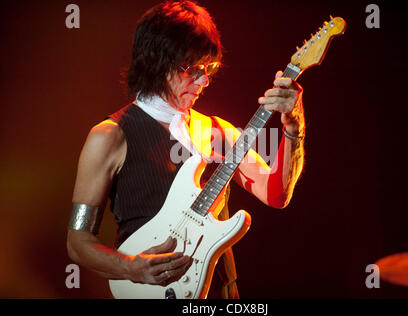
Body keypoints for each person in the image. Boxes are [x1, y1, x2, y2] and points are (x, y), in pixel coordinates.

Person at [67, 0, 305, 299]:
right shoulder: (109, 136)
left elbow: (277, 194)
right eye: (193, 69)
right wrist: (130, 268)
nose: (205, 81)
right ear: (157, 62)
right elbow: (78, 241)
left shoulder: (220, 131)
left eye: (210, 69)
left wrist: (294, 124)